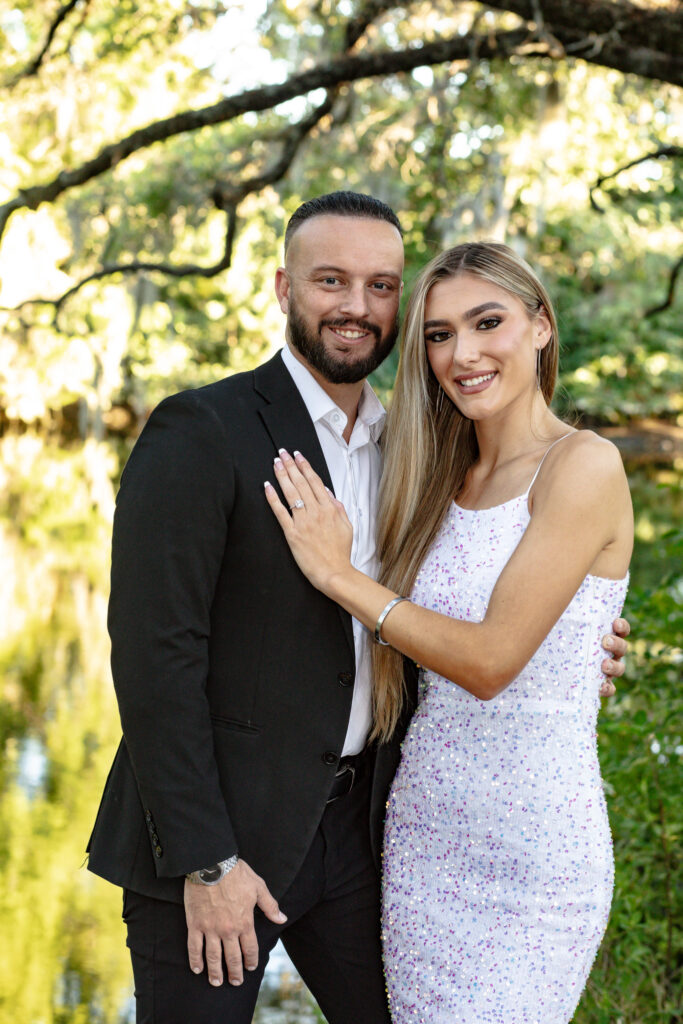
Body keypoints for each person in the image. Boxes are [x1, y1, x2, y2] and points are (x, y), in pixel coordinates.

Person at [86, 193, 628, 1024]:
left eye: (380, 286)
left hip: (369, 835)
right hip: (224, 837)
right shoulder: (203, 429)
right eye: (329, 280)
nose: (355, 306)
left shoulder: (415, 449)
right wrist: (203, 861)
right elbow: (154, 658)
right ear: (282, 287)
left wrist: (577, 642)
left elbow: (480, 610)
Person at [264, 241, 633, 1023]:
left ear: (539, 326)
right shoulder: (431, 468)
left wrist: (340, 577)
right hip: (424, 836)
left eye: (486, 322)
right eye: (436, 334)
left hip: (533, 851)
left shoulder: (584, 464)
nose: (461, 354)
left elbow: (493, 660)